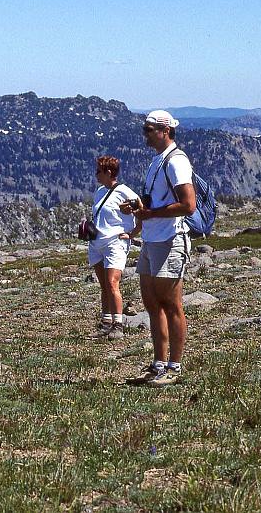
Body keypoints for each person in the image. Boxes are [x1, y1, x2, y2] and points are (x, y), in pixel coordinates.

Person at [120, 110, 196, 387]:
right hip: (153, 239)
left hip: (169, 239)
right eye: (145, 128)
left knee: (171, 304)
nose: (146, 133)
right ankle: (159, 363)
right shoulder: (158, 161)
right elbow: (157, 200)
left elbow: (188, 205)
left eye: (150, 129)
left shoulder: (176, 162)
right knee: (152, 304)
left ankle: (174, 366)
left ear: (165, 130)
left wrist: (150, 213)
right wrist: (140, 208)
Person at [86, 155, 140, 341]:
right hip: (97, 242)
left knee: (112, 282)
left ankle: (118, 324)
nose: (96, 175)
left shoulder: (125, 192)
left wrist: (132, 234)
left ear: (109, 172)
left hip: (115, 242)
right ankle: (106, 322)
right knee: (104, 285)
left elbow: (142, 210)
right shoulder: (100, 191)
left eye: (99, 172)